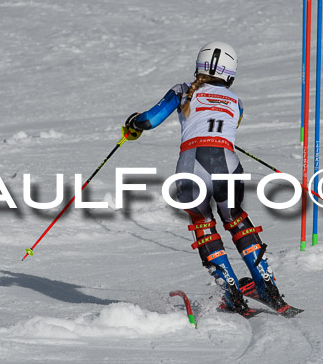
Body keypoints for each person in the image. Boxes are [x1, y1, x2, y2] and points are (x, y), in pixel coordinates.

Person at [122, 41, 288, 315]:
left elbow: (149, 120)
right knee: (236, 220)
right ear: (230, 74)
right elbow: (226, 125)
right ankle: (266, 286)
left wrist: (132, 125)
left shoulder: (183, 90)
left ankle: (231, 293)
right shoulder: (238, 101)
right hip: (227, 161)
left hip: (191, 165)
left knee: (204, 226)